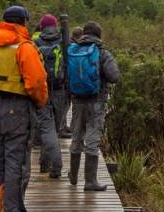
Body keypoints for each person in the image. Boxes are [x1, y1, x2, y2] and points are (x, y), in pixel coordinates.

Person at [0, 6, 48, 212]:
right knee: (16, 162)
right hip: (17, 108)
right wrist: (40, 102)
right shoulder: (24, 48)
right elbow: (36, 83)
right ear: (24, 22)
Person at [66, 21, 121, 191]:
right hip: (97, 101)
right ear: (99, 35)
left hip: (77, 101)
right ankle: (90, 181)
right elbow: (114, 77)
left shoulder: (73, 51)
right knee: (92, 137)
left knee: (76, 135)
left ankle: (73, 175)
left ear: (84, 34)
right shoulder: (102, 53)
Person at [33, 14, 66, 177]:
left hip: (43, 90)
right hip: (61, 92)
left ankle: (50, 163)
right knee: (55, 129)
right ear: (55, 26)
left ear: (42, 27)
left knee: (47, 129)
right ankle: (54, 165)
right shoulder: (63, 42)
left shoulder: (35, 43)